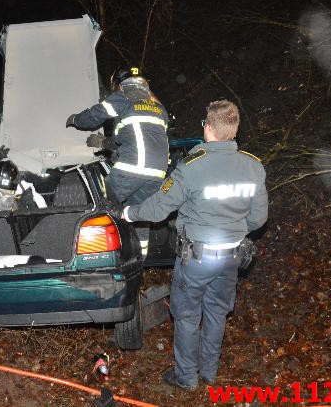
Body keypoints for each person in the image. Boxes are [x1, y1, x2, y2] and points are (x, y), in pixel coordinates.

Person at [121, 100, 268, 390]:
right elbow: (259, 218)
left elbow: (157, 209)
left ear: (209, 127)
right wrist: (232, 232)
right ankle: (209, 372)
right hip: (232, 258)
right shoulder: (253, 166)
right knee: (217, 312)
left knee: (187, 315)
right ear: (235, 130)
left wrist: (128, 213)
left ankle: (186, 378)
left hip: (198, 259)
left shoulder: (191, 166)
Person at [66, 66, 169, 257]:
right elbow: (132, 139)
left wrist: (75, 119)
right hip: (157, 173)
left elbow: (93, 116)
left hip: (134, 167)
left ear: (120, 85)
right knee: (139, 214)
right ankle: (139, 258)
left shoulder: (125, 97)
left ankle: (99, 255)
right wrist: (103, 142)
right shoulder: (158, 107)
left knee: (100, 203)